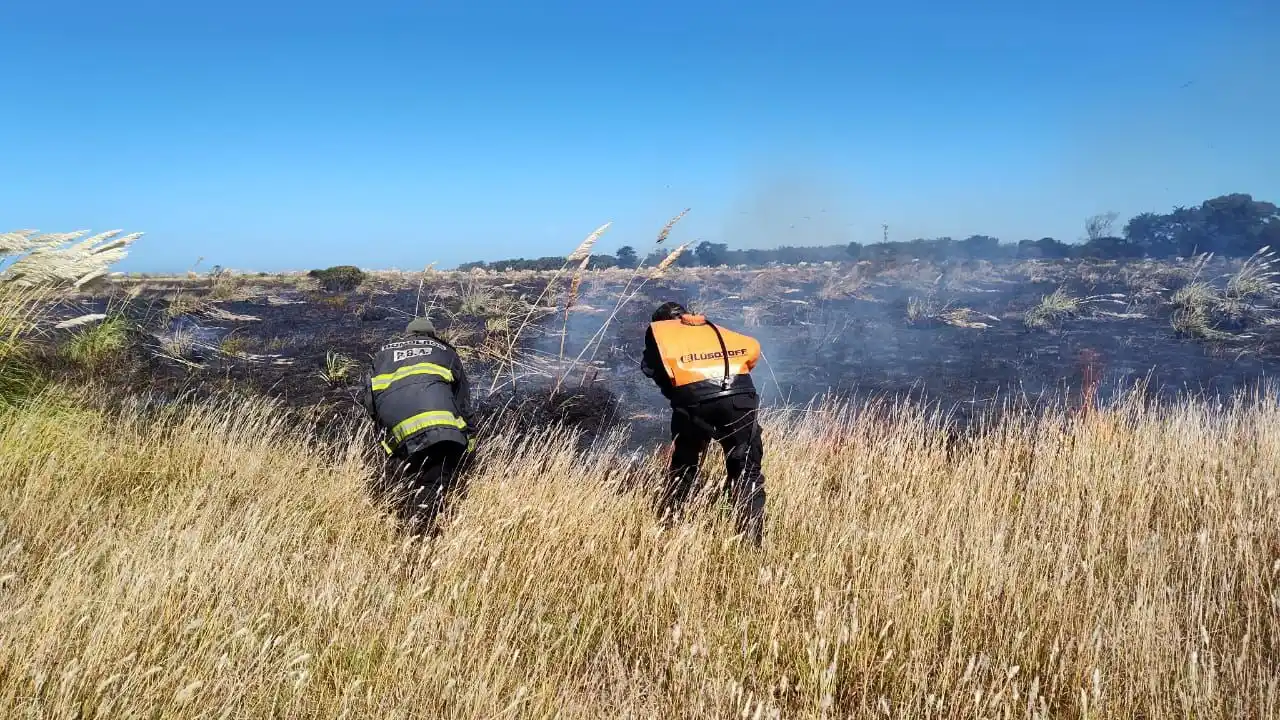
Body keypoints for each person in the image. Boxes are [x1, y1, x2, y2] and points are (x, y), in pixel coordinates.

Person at [640, 301, 767, 546]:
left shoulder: (661, 333)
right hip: (739, 401)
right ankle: (752, 544)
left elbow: (650, 368)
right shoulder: (712, 329)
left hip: (693, 403)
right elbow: (751, 350)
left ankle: (671, 527)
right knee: (746, 470)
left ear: (662, 321)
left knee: (685, 464)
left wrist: (675, 394)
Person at [359, 316, 476, 535]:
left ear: (408, 335)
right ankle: (422, 540)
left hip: (399, 430)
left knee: (409, 481)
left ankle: (402, 526)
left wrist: (384, 435)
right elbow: (463, 402)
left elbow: (369, 401)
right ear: (430, 335)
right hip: (440, 429)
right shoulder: (444, 350)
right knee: (432, 485)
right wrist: (470, 441)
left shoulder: (383, 353)